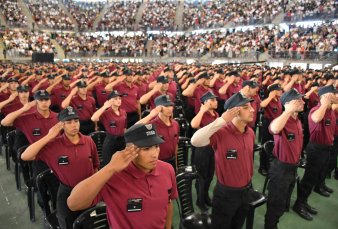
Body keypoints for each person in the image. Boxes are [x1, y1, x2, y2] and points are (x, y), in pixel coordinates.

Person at [67, 123, 178, 229]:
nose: (154, 154)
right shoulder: (113, 175)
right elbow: (73, 204)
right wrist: (110, 168)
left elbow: (168, 204)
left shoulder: (167, 169)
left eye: (156, 146)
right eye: (146, 149)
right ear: (129, 150)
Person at [21, 106, 100, 229]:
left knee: (89, 223)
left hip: (87, 190)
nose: (74, 125)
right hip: (67, 192)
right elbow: (25, 156)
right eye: (69, 122)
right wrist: (49, 136)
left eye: (76, 121)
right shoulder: (53, 145)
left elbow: (95, 166)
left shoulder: (88, 141)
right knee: (67, 223)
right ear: (62, 125)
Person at [191, 92, 255, 229]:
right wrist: (223, 120)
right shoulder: (221, 132)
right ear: (234, 112)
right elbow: (195, 140)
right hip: (226, 194)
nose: (252, 109)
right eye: (245, 107)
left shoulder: (250, 133)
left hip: (246, 190)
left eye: (250, 106)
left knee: (237, 225)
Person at [293, 85, 338, 220]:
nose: (336, 96)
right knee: (309, 178)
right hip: (316, 148)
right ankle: (299, 204)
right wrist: (324, 104)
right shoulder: (316, 110)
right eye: (333, 94)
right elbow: (316, 119)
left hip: (326, 148)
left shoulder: (331, 111)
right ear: (325, 97)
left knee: (316, 176)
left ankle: (304, 201)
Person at [264, 89, 306, 229]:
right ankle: (270, 226)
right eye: (299, 100)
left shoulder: (297, 120)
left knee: (283, 201)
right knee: (276, 202)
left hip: (292, 168)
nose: (303, 102)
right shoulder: (283, 120)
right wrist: (287, 111)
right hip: (280, 168)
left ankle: (274, 223)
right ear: (288, 104)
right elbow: (274, 129)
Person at [190, 91, 218, 212]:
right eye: (212, 100)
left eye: (215, 100)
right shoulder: (201, 114)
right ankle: (200, 201)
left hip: (212, 148)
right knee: (201, 176)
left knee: (210, 175)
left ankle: (205, 196)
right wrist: (202, 110)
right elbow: (194, 125)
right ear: (205, 102)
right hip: (202, 149)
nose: (215, 102)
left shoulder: (216, 114)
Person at [137, 95, 179, 170]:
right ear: (159, 108)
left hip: (171, 161)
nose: (170, 109)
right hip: (157, 162)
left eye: (171, 106)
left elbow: (176, 145)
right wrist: (152, 114)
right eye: (166, 106)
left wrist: (176, 163)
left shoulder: (175, 124)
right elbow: (135, 128)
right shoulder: (152, 125)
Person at [91, 90, 127, 167]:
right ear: (110, 101)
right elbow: (93, 118)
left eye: (119, 98)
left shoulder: (123, 112)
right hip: (111, 140)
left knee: (122, 162)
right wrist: (105, 106)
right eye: (115, 98)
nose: (118, 100)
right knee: (108, 163)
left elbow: (124, 127)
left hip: (122, 140)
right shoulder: (106, 113)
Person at [259, 83, 283, 176]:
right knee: (266, 146)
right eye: (279, 90)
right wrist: (270, 97)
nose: (281, 91)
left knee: (273, 146)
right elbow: (262, 104)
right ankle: (262, 167)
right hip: (267, 124)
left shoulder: (278, 99)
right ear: (273, 91)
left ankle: (269, 166)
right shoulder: (268, 100)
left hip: (275, 124)